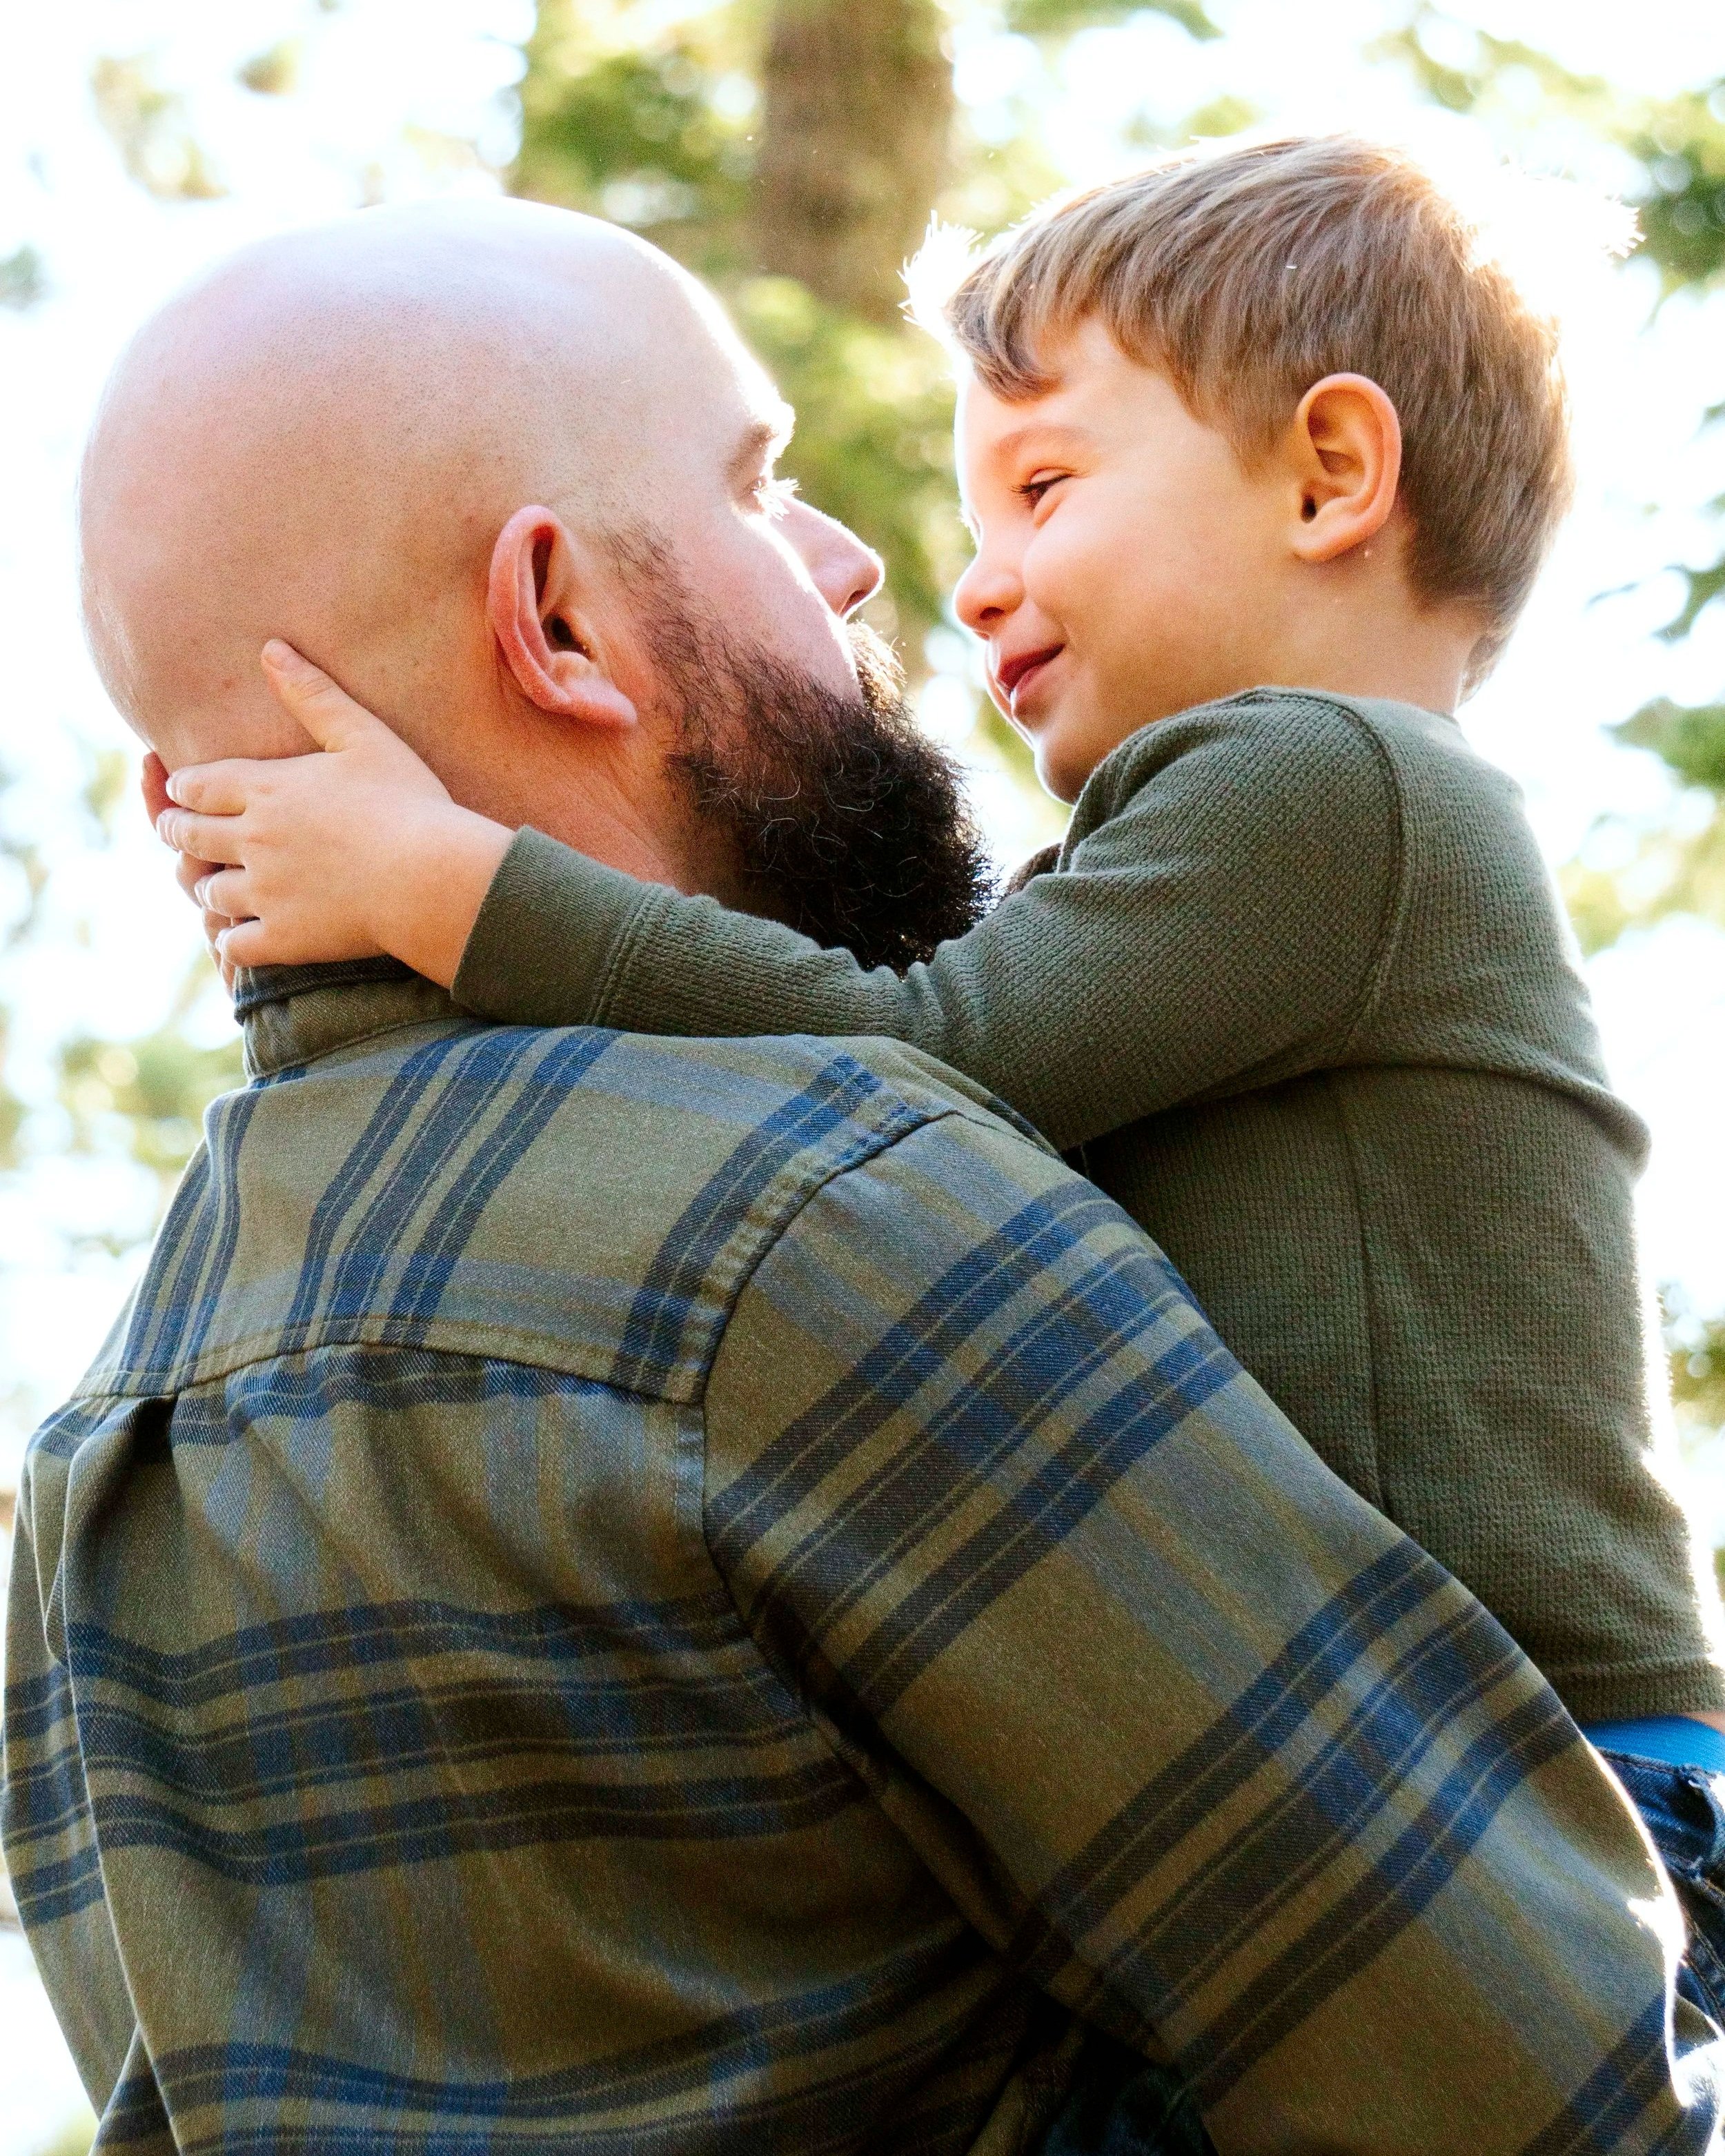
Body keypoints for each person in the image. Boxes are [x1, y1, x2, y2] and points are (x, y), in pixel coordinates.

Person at [6, 196, 1719, 2156]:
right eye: (763, 491)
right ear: (554, 620)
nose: (866, 566)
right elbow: (1540, 2091)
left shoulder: (102, 1467)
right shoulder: (824, 1220)